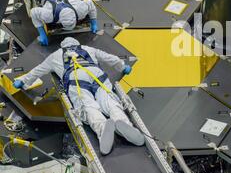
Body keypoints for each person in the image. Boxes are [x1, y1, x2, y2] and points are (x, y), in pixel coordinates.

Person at [13, 37, 144, 155]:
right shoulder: (88, 49)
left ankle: (103, 129)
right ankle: (122, 122)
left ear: (62, 47)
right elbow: (109, 57)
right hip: (97, 75)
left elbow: (37, 70)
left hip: (76, 78)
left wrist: (23, 81)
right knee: (109, 100)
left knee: (88, 107)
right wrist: (123, 67)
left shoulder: (55, 56)